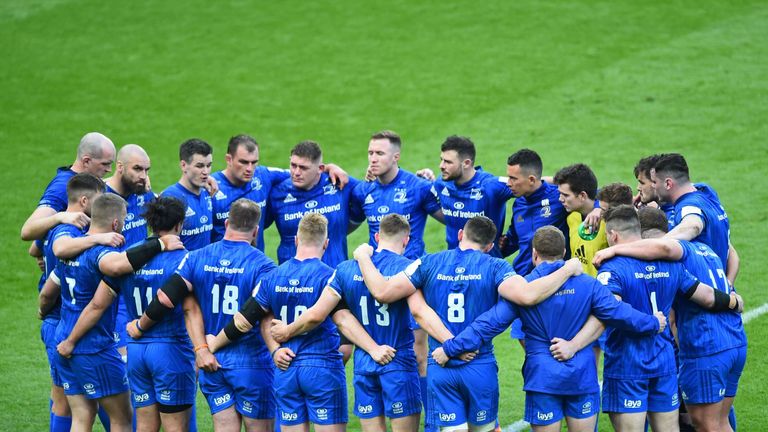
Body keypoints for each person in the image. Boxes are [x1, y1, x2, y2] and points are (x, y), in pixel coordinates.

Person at [354, 216, 583, 432]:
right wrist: (568, 269)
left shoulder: (427, 262)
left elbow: (383, 292)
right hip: (479, 365)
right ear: (490, 245)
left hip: (442, 364)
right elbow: (528, 296)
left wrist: (363, 256)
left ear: (461, 234)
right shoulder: (496, 266)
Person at [434, 226, 667, 432]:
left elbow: (487, 324)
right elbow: (621, 313)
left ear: (534, 254)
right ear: (564, 253)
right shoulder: (588, 285)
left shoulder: (524, 288)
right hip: (581, 376)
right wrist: (654, 323)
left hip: (543, 379)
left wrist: (451, 347)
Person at [128, 198, 278, 432]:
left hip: (210, 364)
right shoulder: (265, 266)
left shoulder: (196, 257)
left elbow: (166, 298)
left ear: (227, 223)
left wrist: (201, 349)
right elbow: (251, 315)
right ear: (256, 231)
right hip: (250, 364)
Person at [593, 207, 747, 432]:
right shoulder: (672, 265)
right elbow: (704, 295)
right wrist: (733, 302)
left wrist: (651, 323)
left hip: (628, 364)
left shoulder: (613, 267)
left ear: (614, 235)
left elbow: (610, 309)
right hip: (663, 361)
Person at [39, 194, 182, 432]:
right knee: (122, 419)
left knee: (82, 415)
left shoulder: (70, 247)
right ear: (115, 224)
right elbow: (116, 268)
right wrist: (160, 243)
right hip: (92, 346)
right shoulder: (101, 253)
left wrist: (44, 312)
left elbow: (48, 291)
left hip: (62, 338)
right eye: (124, 220)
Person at [269, 214, 421, 432]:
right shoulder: (411, 268)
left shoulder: (345, 269)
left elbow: (329, 315)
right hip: (398, 360)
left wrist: (286, 331)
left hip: (364, 362)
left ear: (376, 237)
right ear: (406, 240)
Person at [208, 213, 350, 432]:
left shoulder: (272, 276)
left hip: (285, 367)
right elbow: (343, 324)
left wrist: (213, 344)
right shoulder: (331, 277)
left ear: (296, 240)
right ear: (326, 243)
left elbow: (246, 319)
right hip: (321, 367)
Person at [34, 173, 119, 432]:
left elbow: (35, 250)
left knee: (75, 406)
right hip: (72, 326)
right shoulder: (69, 232)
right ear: (84, 200)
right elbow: (59, 249)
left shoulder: (63, 229)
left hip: (58, 323)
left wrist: (41, 308)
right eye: (98, 197)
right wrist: (98, 238)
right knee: (105, 407)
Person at [267, 140, 364, 267]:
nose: (296, 172)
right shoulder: (277, 193)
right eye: (293, 165)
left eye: (303, 168)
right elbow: (254, 227)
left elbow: (369, 195)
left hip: (333, 277)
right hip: (292, 280)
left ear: (320, 169)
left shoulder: (339, 183)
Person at [352, 130, 443, 259]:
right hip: (377, 272)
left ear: (396, 157)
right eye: (370, 153)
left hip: (411, 271)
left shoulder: (418, 187)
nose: (373, 159)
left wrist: (439, 184)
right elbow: (348, 224)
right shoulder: (362, 190)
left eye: (380, 153)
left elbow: (451, 218)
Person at [105, 144, 157, 362]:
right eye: (137, 169)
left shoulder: (143, 195)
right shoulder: (102, 199)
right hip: (110, 293)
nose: (143, 176)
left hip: (139, 293)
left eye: (147, 170)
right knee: (119, 364)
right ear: (119, 167)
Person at [651, 153, 736, 277]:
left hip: (702, 289)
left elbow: (693, 226)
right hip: (720, 285)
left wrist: (655, 246)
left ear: (668, 184)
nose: (653, 186)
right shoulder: (706, 192)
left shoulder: (688, 206)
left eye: (654, 182)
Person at [21, 132, 116, 241]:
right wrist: (60, 217)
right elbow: (27, 231)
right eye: (105, 164)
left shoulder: (86, 181)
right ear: (86, 161)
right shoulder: (62, 187)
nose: (109, 169)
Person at [433, 135, 513, 257]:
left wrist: (512, 237)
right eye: (442, 160)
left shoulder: (490, 185)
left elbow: (526, 183)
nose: (441, 166)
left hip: (487, 267)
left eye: (448, 162)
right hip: (453, 265)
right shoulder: (441, 184)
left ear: (466, 163)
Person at [500, 149, 569, 275]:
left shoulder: (559, 197)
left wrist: (597, 208)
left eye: (513, 178)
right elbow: (515, 239)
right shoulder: (518, 203)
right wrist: (501, 245)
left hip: (553, 279)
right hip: (522, 278)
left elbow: (589, 195)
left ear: (531, 179)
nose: (508, 184)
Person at [162, 138, 214, 251]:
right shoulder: (171, 197)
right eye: (199, 166)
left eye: (209, 165)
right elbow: (162, 243)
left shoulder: (207, 191)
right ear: (183, 165)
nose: (206, 172)